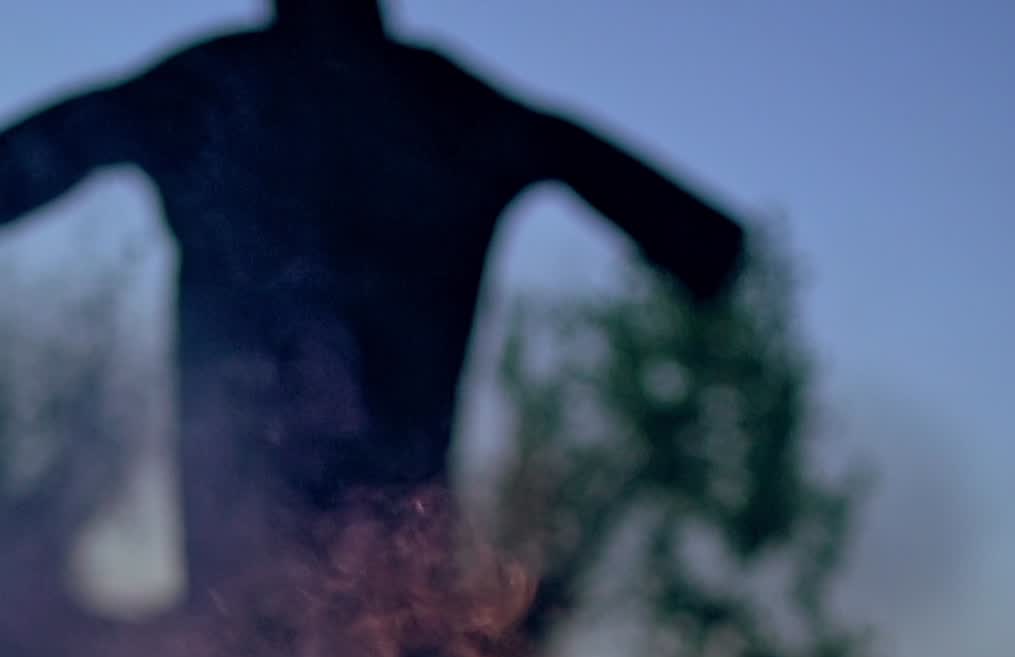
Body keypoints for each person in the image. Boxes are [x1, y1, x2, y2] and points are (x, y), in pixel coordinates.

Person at [0, 0, 745, 602]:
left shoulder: (209, 88)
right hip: (383, 547)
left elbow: (701, 240)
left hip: (277, 552)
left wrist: (704, 250)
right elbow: (709, 245)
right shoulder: (451, 107)